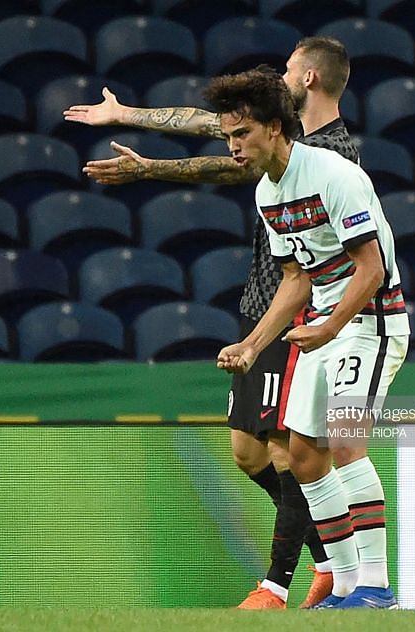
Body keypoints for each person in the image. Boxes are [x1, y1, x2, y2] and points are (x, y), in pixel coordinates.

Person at [64, 38, 359, 609]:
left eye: (290, 69)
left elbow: (230, 164)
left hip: (299, 311)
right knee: (248, 455)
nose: (281, 74)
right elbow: (220, 126)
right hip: (261, 302)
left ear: (311, 81)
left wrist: (150, 169)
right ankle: (330, 549)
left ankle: (279, 585)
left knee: (285, 451)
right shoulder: (278, 131)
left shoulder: (331, 152)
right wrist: (129, 114)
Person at [209, 67, 409, 609]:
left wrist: (331, 325)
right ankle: (342, 587)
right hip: (323, 325)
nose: (233, 147)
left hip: (372, 322)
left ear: (274, 127)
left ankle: (375, 586)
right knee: (302, 455)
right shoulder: (267, 192)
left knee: (344, 444)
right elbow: (296, 278)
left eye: (241, 134)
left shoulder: (333, 174)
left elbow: (371, 267)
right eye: (228, 137)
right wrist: (253, 343)